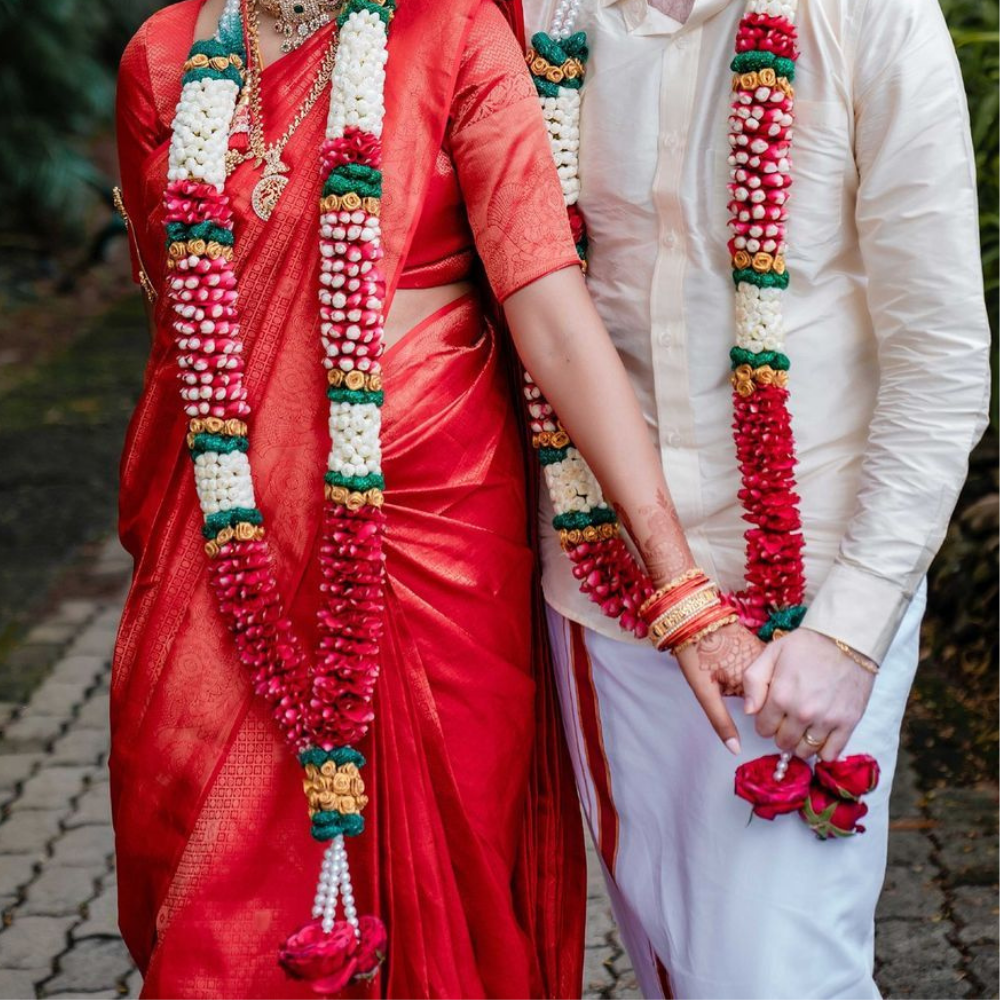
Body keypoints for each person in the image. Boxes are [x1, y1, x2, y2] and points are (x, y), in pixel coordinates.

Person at [111, 0, 758, 995]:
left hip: (433, 530)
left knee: (449, 889)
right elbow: (179, 321)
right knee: (214, 904)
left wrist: (676, 584)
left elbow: (547, 304)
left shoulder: (452, 32)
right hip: (227, 527)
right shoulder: (162, 58)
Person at [521, 0, 992, 996]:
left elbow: (941, 360)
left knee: (777, 973)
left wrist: (852, 629)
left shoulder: (871, 17)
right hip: (607, 594)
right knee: (675, 956)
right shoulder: (541, 15)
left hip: (808, 613)